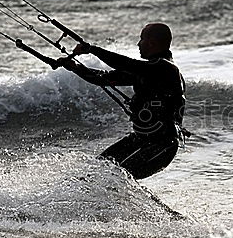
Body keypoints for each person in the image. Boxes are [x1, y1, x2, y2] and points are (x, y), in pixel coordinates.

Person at [58, 22, 186, 179]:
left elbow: (127, 64)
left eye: (142, 39)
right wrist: (76, 68)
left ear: (152, 43)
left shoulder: (165, 69)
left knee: (117, 177)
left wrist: (92, 50)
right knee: (97, 172)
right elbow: (104, 78)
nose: (139, 44)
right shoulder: (147, 72)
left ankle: (140, 204)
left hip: (162, 146)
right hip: (140, 139)